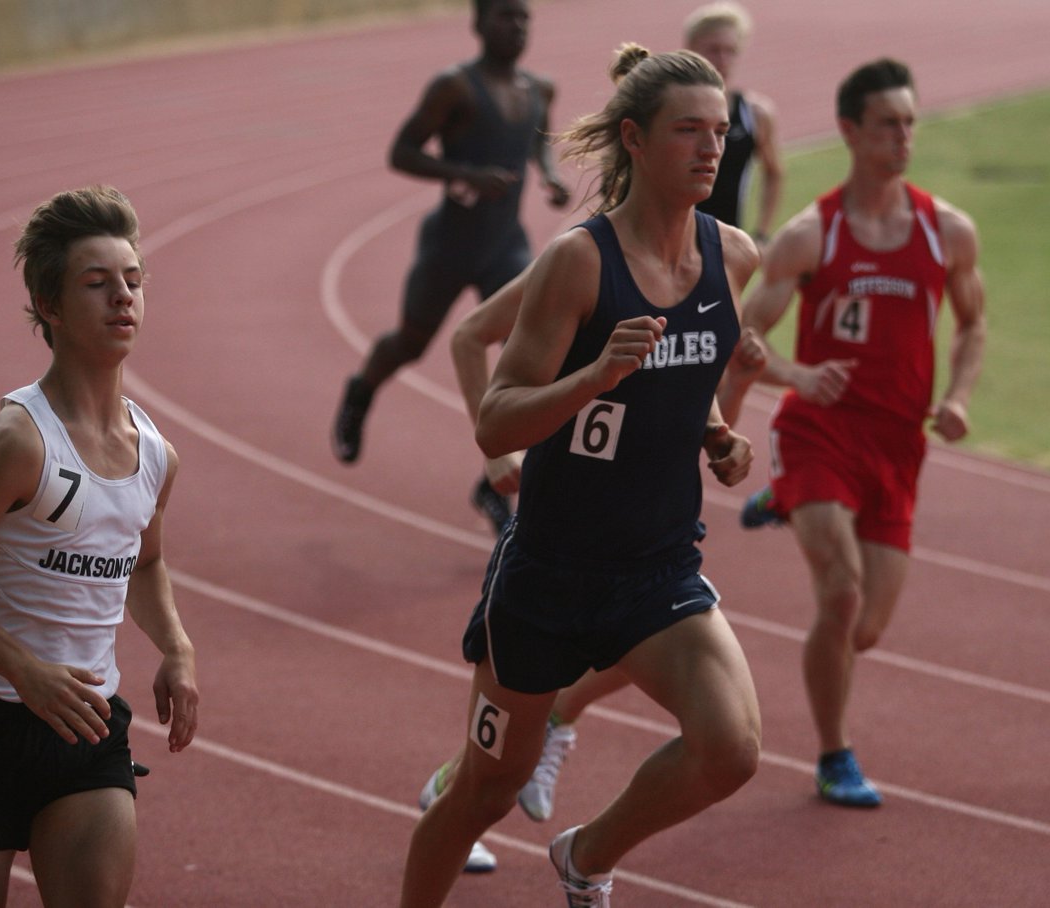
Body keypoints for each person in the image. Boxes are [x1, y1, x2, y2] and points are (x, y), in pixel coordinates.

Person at [400, 44, 762, 907]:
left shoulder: (733, 256)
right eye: (688, 132)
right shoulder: (579, 262)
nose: (711, 149)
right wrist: (593, 379)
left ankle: (587, 855)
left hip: (659, 571)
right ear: (634, 140)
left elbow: (689, 377)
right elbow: (499, 417)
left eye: (719, 131)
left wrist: (717, 435)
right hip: (549, 580)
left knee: (732, 750)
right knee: (482, 791)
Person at [0, 185, 200, 907]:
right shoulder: (19, 441)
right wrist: (25, 671)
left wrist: (178, 649)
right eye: (97, 284)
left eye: (133, 281)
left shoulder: (156, 453)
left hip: (88, 727)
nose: (122, 297)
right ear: (51, 307)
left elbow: (146, 562)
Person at [738, 58, 987, 807]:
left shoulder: (947, 231)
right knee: (839, 597)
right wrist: (797, 378)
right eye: (888, 123)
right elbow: (744, 336)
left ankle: (782, 499)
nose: (904, 136)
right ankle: (833, 754)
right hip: (820, 431)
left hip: (898, 446)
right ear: (850, 130)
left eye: (910, 122)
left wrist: (960, 397)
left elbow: (974, 325)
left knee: (868, 630)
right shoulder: (811, 235)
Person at [330, 0, 571, 536]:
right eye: (505, 16)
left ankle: (493, 481)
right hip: (450, 246)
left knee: (533, 354)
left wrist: (551, 177)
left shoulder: (539, 89)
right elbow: (402, 151)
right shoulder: (454, 87)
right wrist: (465, 173)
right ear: (478, 23)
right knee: (411, 343)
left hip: (506, 245)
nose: (517, 26)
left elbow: (538, 141)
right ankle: (361, 390)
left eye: (524, 17)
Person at [685, 2, 783, 243]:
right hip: (668, 245)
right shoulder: (669, 111)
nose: (722, 59)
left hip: (724, 246)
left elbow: (774, 173)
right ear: (691, 49)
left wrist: (761, 234)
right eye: (713, 49)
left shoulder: (755, 114)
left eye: (730, 51)